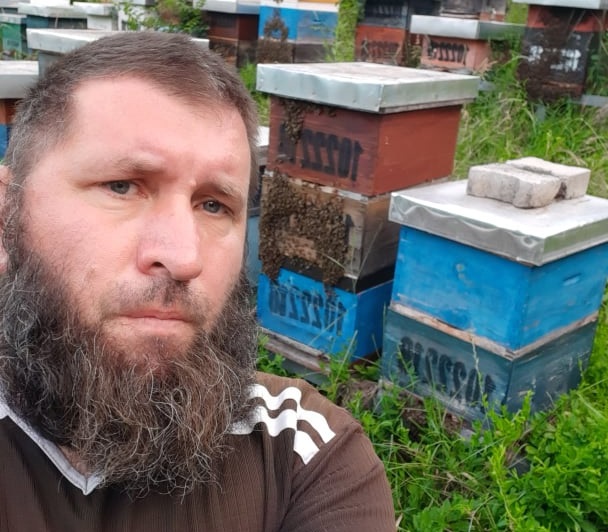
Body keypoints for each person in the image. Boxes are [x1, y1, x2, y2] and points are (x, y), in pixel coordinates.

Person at [0, 31, 395, 531]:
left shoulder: (303, 454)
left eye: (214, 205)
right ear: (7, 216)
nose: (184, 258)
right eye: (122, 186)